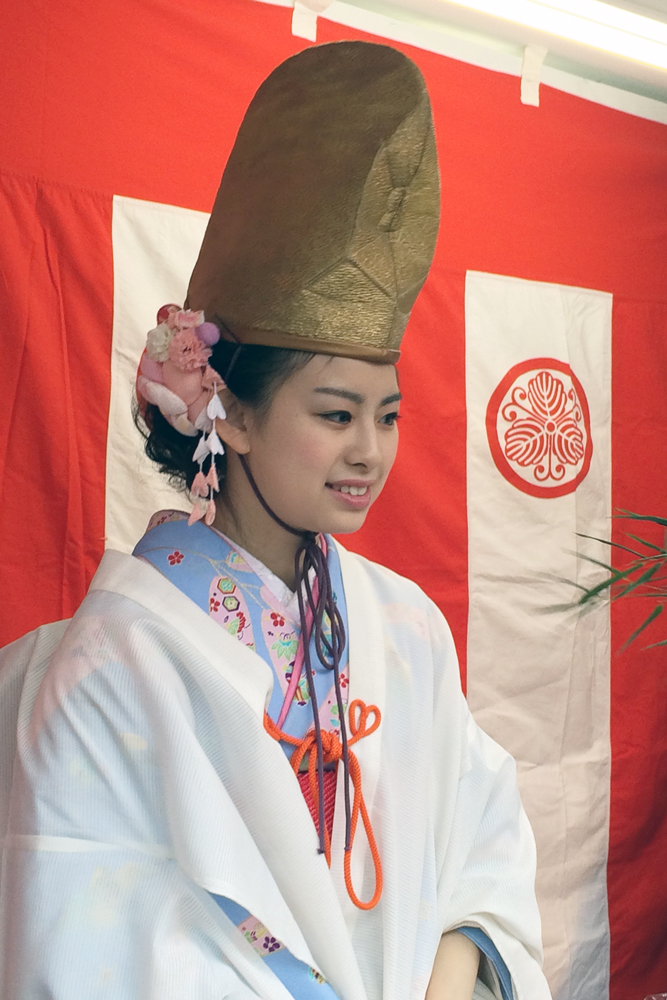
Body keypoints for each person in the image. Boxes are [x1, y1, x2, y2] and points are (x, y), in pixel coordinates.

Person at [0, 41, 551, 1000]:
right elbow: (91, 925)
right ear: (235, 414)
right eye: (335, 415)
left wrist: (454, 968)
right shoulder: (115, 664)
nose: (369, 452)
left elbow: (482, 839)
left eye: (387, 415)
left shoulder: (407, 628)